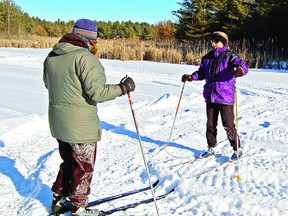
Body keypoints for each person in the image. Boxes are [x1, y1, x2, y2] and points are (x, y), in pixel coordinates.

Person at [43, 18, 135, 216]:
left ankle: (58, 200)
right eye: (96, 40)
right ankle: (79, 208)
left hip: (58, 122)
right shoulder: (85, 58)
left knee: (69, 162)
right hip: (79, 124)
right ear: (90, 39)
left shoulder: (52, 56)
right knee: (83, 167)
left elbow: (48, 83)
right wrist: (123, 88)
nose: (97, 44)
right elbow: (98, 93)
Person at [181, 31, 248, 161]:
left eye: (216, 41)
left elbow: (243, 66)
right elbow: (201, 73)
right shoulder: (207, 58)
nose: (214, 44)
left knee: (228, 124)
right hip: (210, 96)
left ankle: (237, 149)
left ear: (223, 42)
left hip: (225, 97)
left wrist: (239, 70)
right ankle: (211, 148)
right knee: (210, 124)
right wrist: (190, 77)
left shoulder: (230, 56)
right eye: (212, 41)